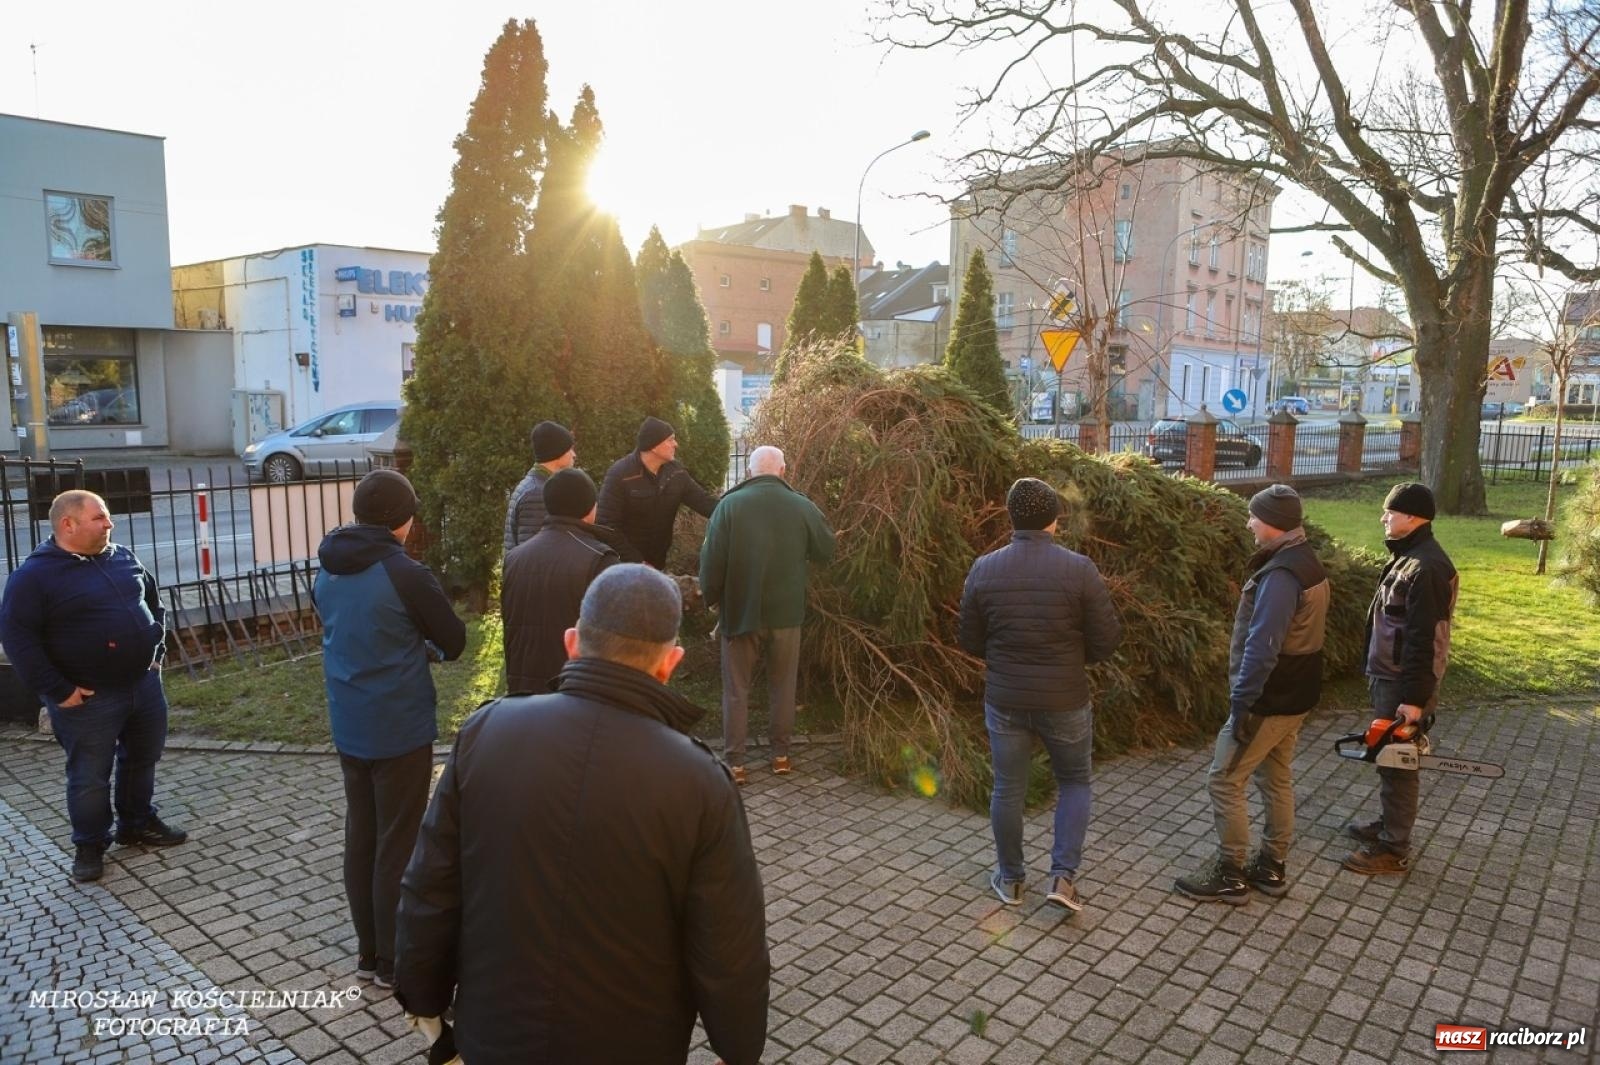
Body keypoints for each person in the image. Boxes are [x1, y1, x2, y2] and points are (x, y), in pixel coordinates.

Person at [395, 565, 770, 1065]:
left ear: (572, 642)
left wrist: (424, 1003)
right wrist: (738, 1047)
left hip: (494, 1038)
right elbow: (730, 949)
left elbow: (431, 888)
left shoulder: (486, 734)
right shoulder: (701, 781)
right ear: (670, 663)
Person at [315, 469, 466, 988]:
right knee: (397, 841)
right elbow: (454, 639)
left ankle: (366, 952)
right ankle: (390, 962)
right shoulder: (406, 573)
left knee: (362, 833)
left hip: (348, 718)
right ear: (403, 520)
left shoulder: (328, 562)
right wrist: (424, 647)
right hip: (398, 725)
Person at [0, 490, 184, 883]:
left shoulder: (121, 556)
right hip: (88, 697)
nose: (109, 524)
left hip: (143, 684)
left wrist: (157, 651)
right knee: (89, 775)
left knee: (142, 758)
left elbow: (153, 600)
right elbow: (18, 640)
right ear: (68, 524)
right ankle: (89, 844)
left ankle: (136, 824)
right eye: (99, 517)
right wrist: (57, 689)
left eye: (107, 517)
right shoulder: (34, 576)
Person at [958, 478, 1122, 913]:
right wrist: (1069, 660)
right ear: (1054, 520)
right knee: (1074, 782)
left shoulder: (984, 568)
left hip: (1006, 698)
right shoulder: (1079, 569)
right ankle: (1063, 879)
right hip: (1065, 698)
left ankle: (1010, 879)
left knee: (1008, 788)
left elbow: (970, 640)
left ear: (1011, 517)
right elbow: (1106, 640)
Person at [1176, 485, 1329, 904]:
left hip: (1268, 697)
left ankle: (1230, 872)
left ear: (1274, 523)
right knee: (1275, 777)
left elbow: (1263, 646)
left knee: (1224, 779)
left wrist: (1242, 703)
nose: (1249, 523)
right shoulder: (1306, 562)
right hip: (1297, 695)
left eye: (1253, 516)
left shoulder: (1281, 575)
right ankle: (1272, 867)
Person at [699, 445, 835, 785]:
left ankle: (736, 763)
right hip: (787, 613)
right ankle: (780, 756)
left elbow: (712, 562)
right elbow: (827, 550)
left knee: (736, 689)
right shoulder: (802, 506)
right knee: (783, 685)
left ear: (748, 472)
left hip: (740, 611)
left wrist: (712, 600)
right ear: (783, 471)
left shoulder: (729, 506)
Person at [1342, 482, 1457, 875]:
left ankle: (1395, 847)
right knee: (1387, 758)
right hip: (1389, 677)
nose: (1383, 518)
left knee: (1400, 762)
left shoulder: (1428, 567)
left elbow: (1427, 639)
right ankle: (1389, 825)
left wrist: (1413, 699)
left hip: (1403, 685)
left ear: (1412, 517)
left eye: (1389, 512)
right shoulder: (1408, 557)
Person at [502, 467, 619, 693]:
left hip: (521, 692)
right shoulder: (599, 559)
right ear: (590, 506)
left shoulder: (514, 558)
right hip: (576, 691)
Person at [597, 417, 718, 569]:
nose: (676, 444)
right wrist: (637, 561)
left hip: (658, 563)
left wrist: (735, 509)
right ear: (654, 445)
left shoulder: (676, 472)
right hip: (623, 566)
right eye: (670, 440)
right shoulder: (620, 474)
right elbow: (606, 525)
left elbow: (705, 502)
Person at [503, 420, 576, 555]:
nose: (574, 454)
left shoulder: (537, 486)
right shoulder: (537, 493)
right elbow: (533, 557)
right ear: (556, 452)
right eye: (569, 449)